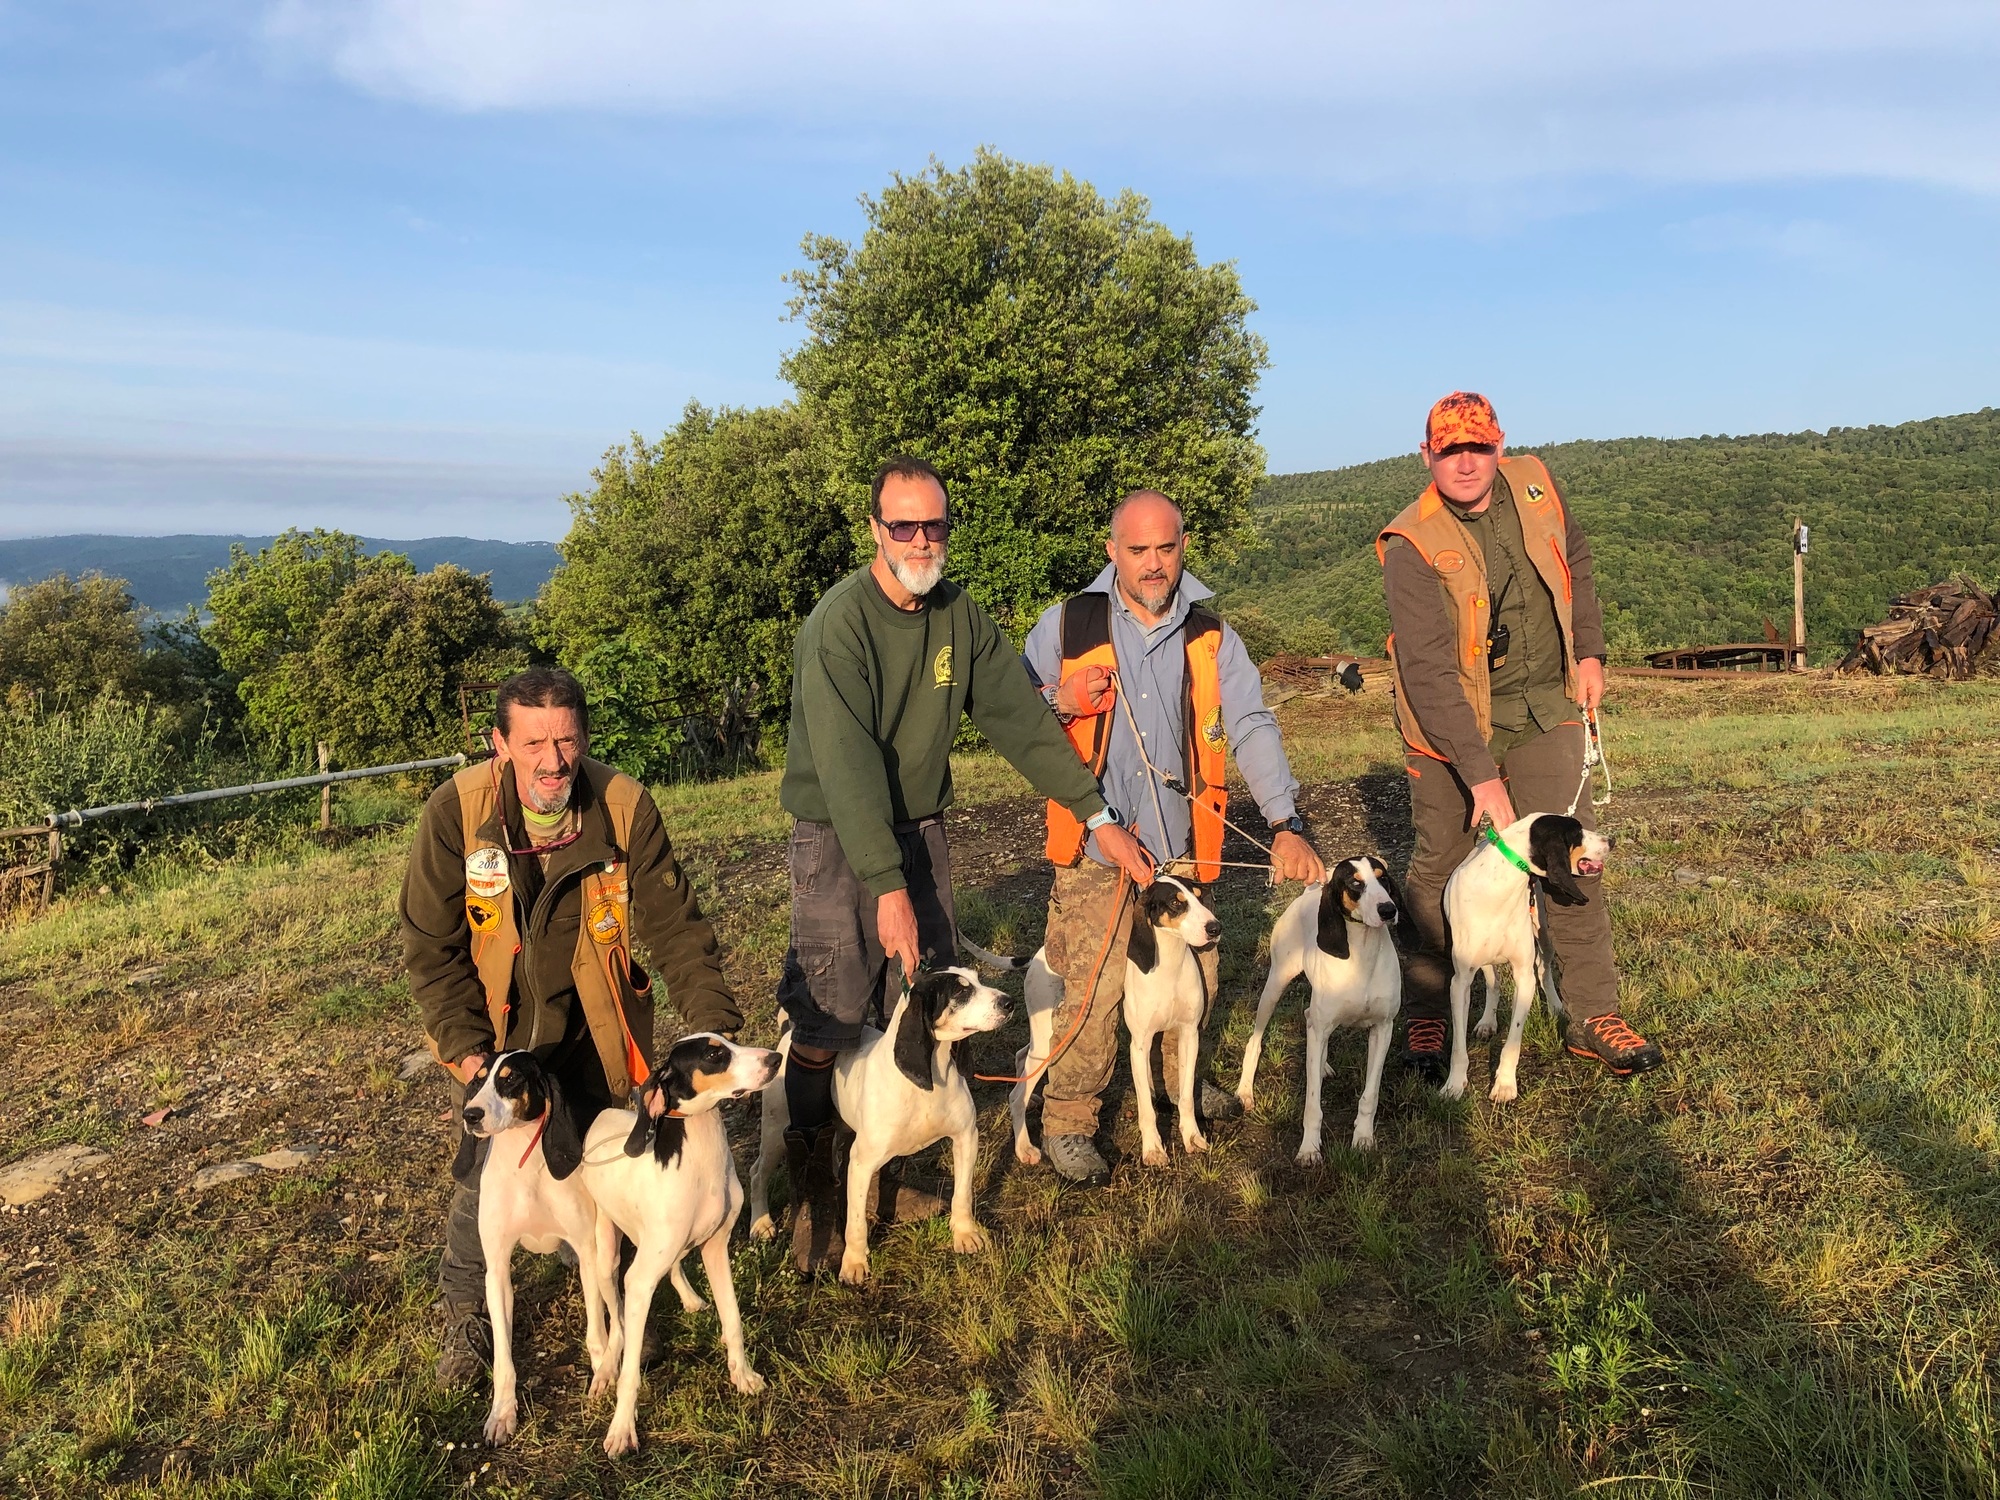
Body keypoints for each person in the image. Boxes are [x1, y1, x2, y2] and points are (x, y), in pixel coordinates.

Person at [777, 455, 1153, 1273]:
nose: (921, 539)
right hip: (836, 833)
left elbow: (1020, 719)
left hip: (921, 827)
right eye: (903, 525)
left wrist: (1098, 816)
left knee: (919, 994)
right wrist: (886, 887)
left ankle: (886, 1173)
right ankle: (814, 1194)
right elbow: (846, 768)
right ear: (876, 530)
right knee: (832, 1010)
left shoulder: (959, 616)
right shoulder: (839, 625)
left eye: (934, 525)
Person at [400, 666, 742, 1388]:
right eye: (533, 744)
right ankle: (467, 1315)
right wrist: (469, 1055)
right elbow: (430, 949)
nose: (552, 761)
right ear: (499, 744)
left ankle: (614, 1307)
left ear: (583, 737)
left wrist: (714, 1030)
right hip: (496, 1031)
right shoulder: (455, 812)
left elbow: (677, 929)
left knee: (599, 1166)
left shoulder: (623, 807)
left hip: (593, 1022)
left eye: (566, 741)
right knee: (486, 1178)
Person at [1020, 490, 1327, 1185]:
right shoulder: (1066, 625)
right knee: (1093, 990)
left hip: (1182, 852)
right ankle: (1069, 1121)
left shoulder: (1213, 636)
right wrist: (1060, 700)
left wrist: (1285, 823)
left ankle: (1176, 1087)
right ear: (1112, 552)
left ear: (1184, 545)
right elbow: (1011, 710)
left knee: (1195, 979)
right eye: (1138, 550)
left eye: (1166, 547)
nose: (1154, 563)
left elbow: (1250, 724)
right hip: (1094, 848)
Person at [1378, 392, 1664, 1080]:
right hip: (1448, 725)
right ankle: (1429, 1010)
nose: (1465, 462)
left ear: (1499, 445)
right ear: (1427, 455)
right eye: (1449, 450)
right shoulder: (1409, 543)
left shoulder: (1537, 484)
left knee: (1573, 855)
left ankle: (1593, 1015)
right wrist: (1478, 774)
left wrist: (1589, 651)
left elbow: (1578, 560)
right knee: (1440, 867)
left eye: (1478, 447)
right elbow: (1426, 671)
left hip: (1544, 706)